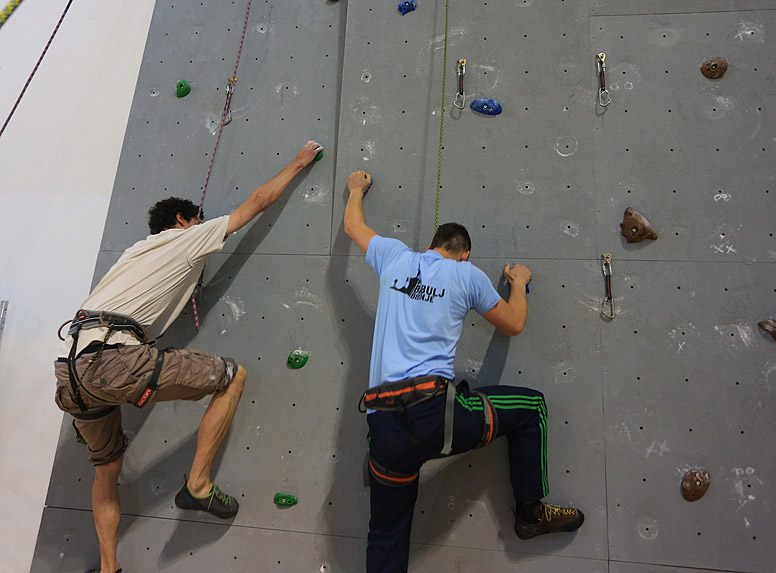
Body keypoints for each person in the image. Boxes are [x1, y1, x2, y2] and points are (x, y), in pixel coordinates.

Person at [54, 140, 323, 573]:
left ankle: (109, 569)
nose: (203, 226)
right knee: (232, 376)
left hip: (73, 372)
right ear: (182, 221)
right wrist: (297, 162)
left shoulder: (133, 254)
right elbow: (252, 205)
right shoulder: (185, 239)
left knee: (107, 469)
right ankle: (197, 485)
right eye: (197, 219)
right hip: (114, 360)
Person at [343, 170, 585, 572]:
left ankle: (382, 472)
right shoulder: (466, 275)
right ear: (465, 255)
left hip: (382, 425)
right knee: (532, 408)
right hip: (434, 417)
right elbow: (513, 323)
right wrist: (519, 284)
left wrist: (355, 189)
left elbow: (354, 225)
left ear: (429, 247)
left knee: (386, 537)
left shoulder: (394, 256)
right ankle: (530, 514)